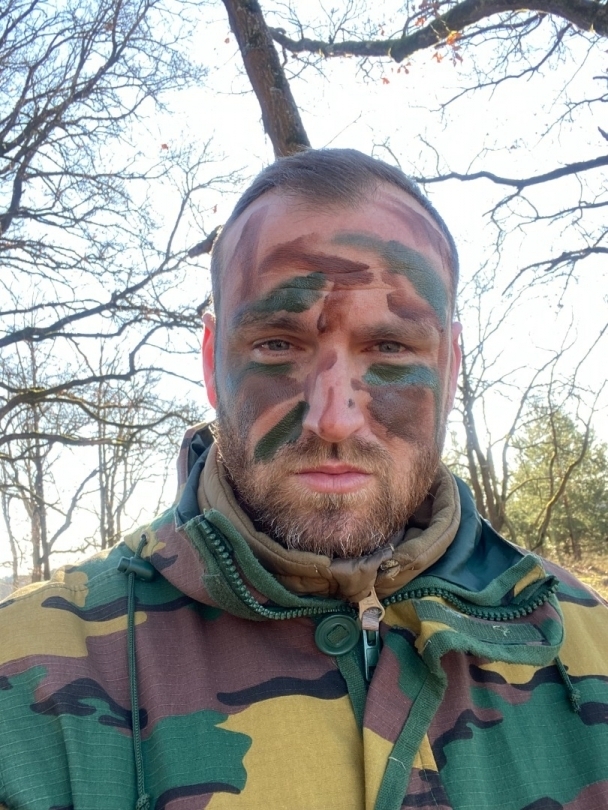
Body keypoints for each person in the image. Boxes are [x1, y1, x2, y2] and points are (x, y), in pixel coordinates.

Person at [1, 149, 607, 810]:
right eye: (278, 345)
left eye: (390, 347)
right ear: (211, 362)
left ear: (451, 365)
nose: (333, 418)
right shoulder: (27, 678)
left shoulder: (591, 645)